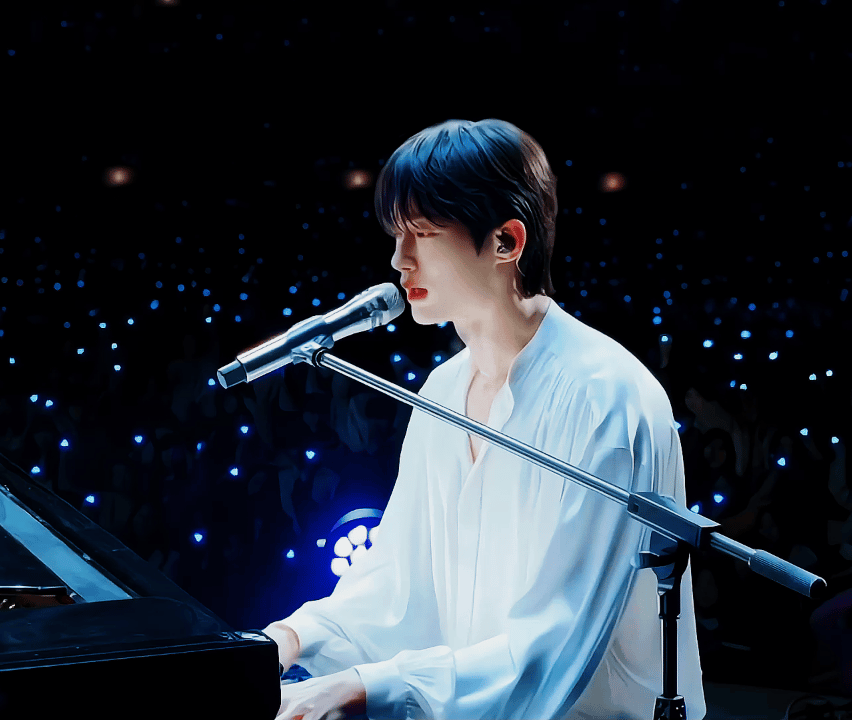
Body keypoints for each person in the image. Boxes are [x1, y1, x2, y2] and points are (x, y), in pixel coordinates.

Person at [264, 119, 705, 720]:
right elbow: (397, 583)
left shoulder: (608, 400)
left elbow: (554, 644)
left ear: (506, 241)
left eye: (421, 233)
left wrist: (363, 686)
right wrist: (288, 639)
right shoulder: (443, 390)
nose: (399, 259)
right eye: (397, 234)